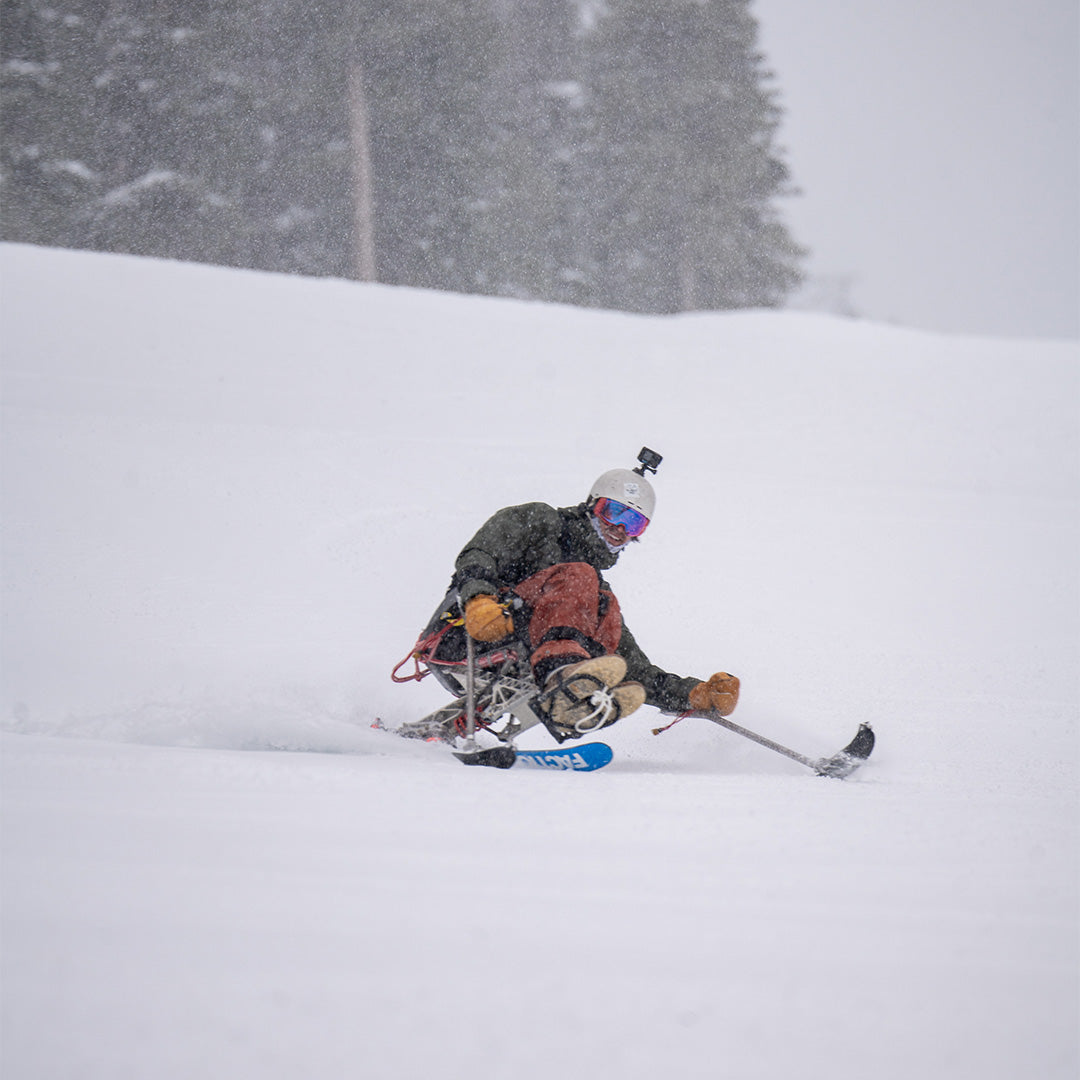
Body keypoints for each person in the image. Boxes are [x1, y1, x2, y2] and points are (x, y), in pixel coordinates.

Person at [438, 454, 740, 740]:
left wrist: (691, 693)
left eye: (634, 524)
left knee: (606, 610)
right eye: (615, 512)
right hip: (468, 633)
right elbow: (480, 553)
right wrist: (478, 598)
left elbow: (631, 666)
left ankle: (573, 701)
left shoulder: (593, 595)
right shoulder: (541, 522)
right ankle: (565, 682)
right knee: (582, 578)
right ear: (593, 504)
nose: (620, 529)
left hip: (523, 662)